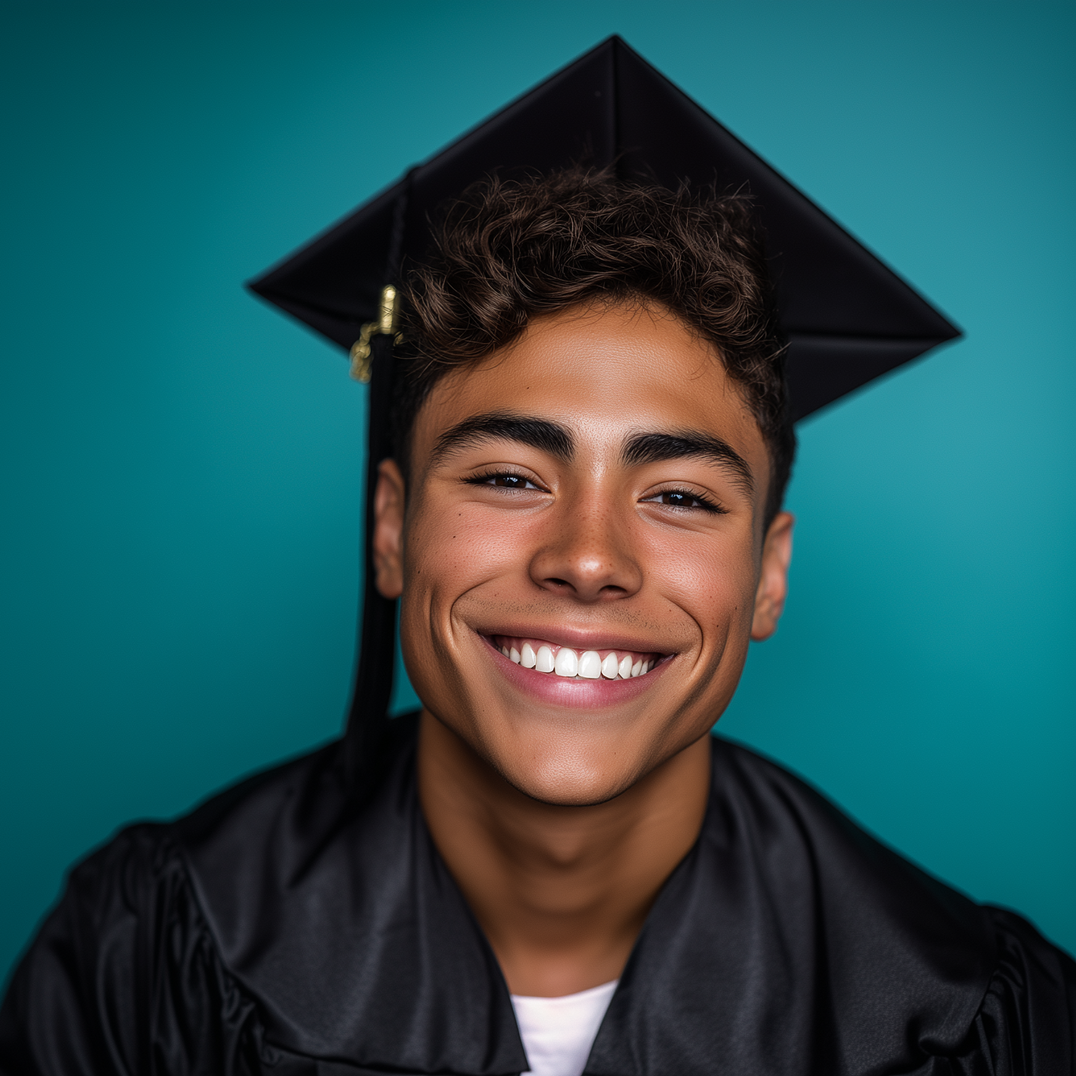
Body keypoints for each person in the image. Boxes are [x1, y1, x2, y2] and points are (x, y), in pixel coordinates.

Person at [1, 38, 1072, 1076]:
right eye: (511, 477)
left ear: (769, 575)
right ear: (390, 527)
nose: (588, 558)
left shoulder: (958, 1015)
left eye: (680, 496)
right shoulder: (154, 955)